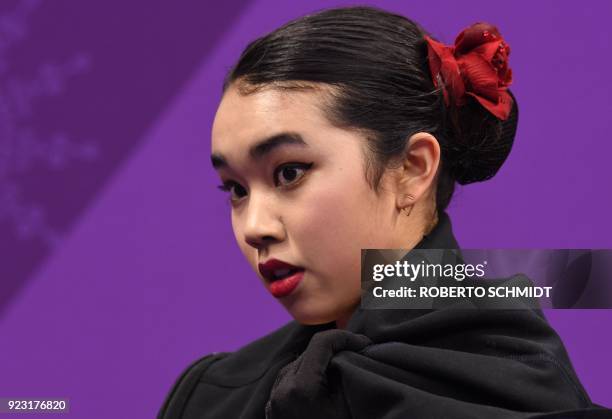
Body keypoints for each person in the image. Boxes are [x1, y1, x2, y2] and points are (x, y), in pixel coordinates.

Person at [158, 6, 612, 418]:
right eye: (236, 189)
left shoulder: (514, 386)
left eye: (290, 173)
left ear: (412, 169)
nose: (254, 227)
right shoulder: (212, 397)